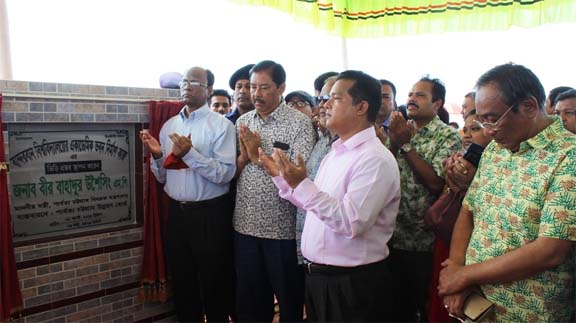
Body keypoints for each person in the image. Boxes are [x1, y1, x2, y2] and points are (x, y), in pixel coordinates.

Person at [439, 63, 576, 322]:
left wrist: (466, 275)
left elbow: (550, 249)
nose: (488, 130)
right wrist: (457, 270)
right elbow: (469, 211)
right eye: (482, 119)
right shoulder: (496, 149)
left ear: (529, 106)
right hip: (476, 305)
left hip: (528, 312)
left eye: (494, 118)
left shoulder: (568, 155)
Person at [260, 70, 400, 322]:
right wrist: (280, 177)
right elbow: (313, 204)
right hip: (320, 279)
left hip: (351, 285)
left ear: (361, 107)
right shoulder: (336, 152)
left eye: (334, 98)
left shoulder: (374, 159)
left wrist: (303, 184)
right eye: (324, 98)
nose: (324, 105)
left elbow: (351, 222)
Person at [140, 66, 237, 322]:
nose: (186, 85)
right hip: (178, 215)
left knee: (214, 282)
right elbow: (163, 178)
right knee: (182, 281)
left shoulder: (221, 126)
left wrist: (189, 154)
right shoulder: (169, 126)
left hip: (210, 215)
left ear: (208, 90)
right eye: (184, 81)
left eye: (194, 81)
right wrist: (159, 156)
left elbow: (225, 174)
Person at [233, 60, 315, 322]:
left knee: (289, 300)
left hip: (281, 229)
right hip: (245, 225)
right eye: (253, 87)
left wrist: (260, 154)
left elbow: (299, 175)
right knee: (251, 303)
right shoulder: (243, 121)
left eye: (264, 87)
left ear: (281, 88)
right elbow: (239, 166)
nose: (255, 93)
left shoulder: (299, 124)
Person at [387, 76, 462, 322]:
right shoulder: (401, 129)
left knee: (424, 304)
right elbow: (385, 168)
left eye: (420, 95)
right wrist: (395, 143)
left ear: (437, 103)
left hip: (422, 239)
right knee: (397, 304)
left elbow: (436, 183)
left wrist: (406, 146)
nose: (411, 98)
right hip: (391, 235)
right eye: (410, 93)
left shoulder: (447, 137)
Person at [427, 109, 492, 322]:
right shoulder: (460, 163)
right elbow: (437, 215)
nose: (467, 135)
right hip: (451, 245)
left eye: (475, 129)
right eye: (465, 129)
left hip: (476, 254)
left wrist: (470, 187)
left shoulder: (496, 165)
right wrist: (452, 185)